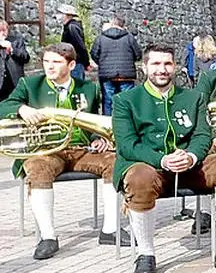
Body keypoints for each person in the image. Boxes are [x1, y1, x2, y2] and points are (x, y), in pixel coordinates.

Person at [112, 44, 216, 273]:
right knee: (138, 178)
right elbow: (127, 144)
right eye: (155, 64)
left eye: (167, 63)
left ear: (175, 66)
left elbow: (203, 135)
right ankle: (146, 253)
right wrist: (163, 160)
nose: (162, 69)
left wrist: (192, 156)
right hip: (149, 165)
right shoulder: (125, 100)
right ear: (144, 67)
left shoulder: (193, 97)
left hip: (190, 165)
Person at [0, 43, 124, 259]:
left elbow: (93, 122)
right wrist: (21, 108)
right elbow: (4, 105)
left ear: (71, 65)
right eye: (46, 61)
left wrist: (98, 138)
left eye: (56, 62)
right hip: (45, 150)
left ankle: (110, 230)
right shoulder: (29, 84)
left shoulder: (88, 88)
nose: (49, 66)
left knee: (115, 162)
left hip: (80, 149)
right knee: (37, 169)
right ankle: (48, 236)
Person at [90, 16, 141, 115]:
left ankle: (107, 122)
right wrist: (130, 61)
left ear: (112, 24)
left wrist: (102, 63)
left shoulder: (101, 38)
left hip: (107, 74)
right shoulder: (129, 38)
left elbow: (94, 54)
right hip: (126, 74)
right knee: (128, 100)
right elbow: (138, 54)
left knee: (108, 102)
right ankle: (127, 120)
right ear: (123, 25)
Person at [57, 4, 89, 82]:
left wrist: (86, 62)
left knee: (76, 85)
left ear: (68, 15)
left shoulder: (72, 27)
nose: (58, 16)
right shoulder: (68, 27)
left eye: (61, 13)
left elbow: (81, 46)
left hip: (76, 63)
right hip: (71, 62)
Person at [0, 19, 30, 102]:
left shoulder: (16, 41)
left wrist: (12, 50)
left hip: (14, 81)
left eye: (4, 30)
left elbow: (26, 58)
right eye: (0, 31)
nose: (2, 33)